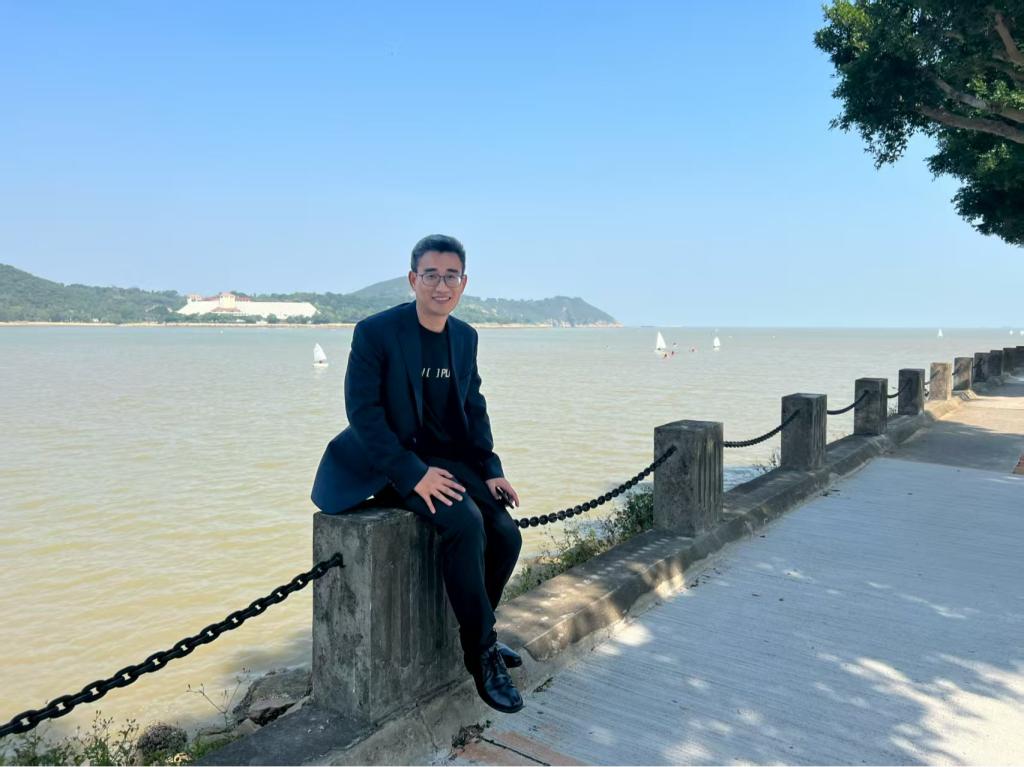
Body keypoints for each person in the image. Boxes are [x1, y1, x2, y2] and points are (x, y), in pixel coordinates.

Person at [310, 234, 525, 714]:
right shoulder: (376, 332)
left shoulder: (465, 337)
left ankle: (481, 631)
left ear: (463, 282)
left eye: (451, 276)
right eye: (431, 275)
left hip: (447, 460)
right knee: (465, 522)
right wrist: (413, 475)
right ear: (413, 279)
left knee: (507, 535)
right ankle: (481, 654)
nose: (441, 286)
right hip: (388, 463)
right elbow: (363, 414)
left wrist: (490, 469)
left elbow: (474, 406)